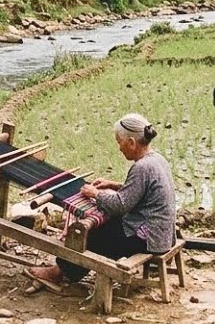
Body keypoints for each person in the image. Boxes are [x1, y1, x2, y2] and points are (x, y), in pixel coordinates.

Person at [26, 114, 176, 286]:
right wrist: (113, 185)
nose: (119, 148)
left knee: (92, 233)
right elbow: (141, 190)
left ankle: (58, 273)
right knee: (103, 227)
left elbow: (120, 206)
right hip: (161, 234)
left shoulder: (142, 167)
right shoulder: (157, 159)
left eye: (119, 142)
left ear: (131, 142)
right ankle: (65, 270)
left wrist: (95, 193)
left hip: (148, 240)